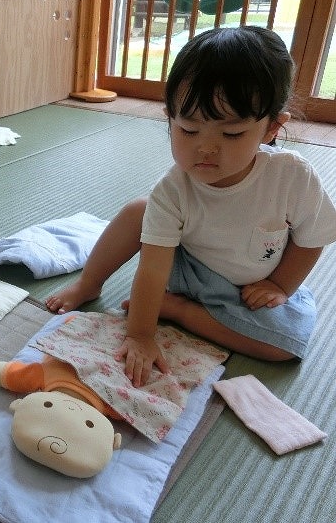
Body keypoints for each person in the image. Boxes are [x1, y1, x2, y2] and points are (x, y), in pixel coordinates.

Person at [46, 26, 336, 387]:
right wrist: (140, 334)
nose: (206, 148)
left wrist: (279, 285)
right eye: (188, 130)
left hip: (246, 290)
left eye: (231, 134)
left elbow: (312, 237)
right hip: (183, 267)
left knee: (284, 347)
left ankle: (180, 310)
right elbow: (153, 269)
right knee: (140, 210)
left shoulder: (292, 176)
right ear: (170, 118)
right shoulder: (174, 189)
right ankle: (89, 282)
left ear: (271, 128)